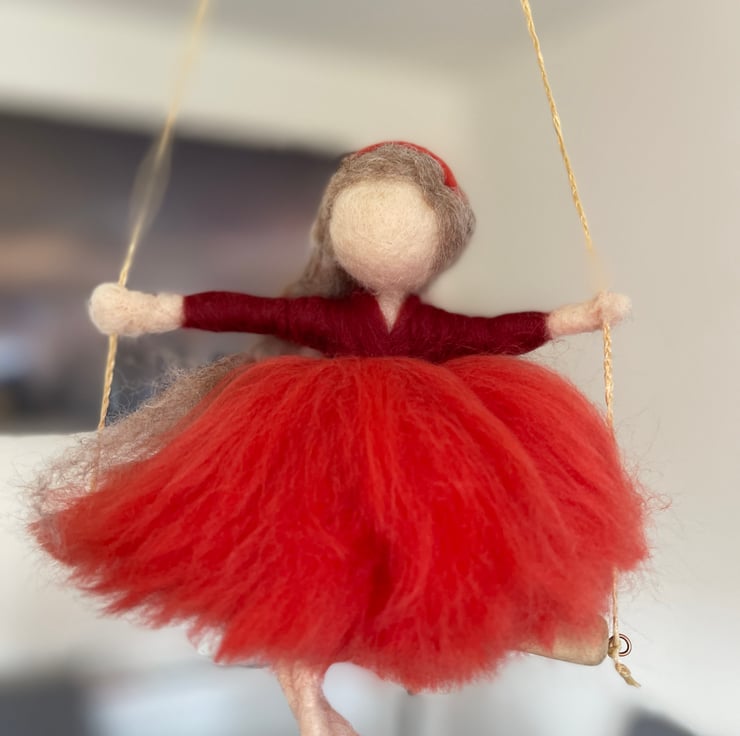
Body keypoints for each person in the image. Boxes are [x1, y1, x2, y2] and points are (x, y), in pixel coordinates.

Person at [34, 142, 646, 736]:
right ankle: (312, 696)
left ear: (442, 239)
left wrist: (573, 319)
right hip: (324, 428)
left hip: (425, 433)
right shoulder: (329, 318)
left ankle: (505, 616)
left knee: (448, 528)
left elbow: (496, 333)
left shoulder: (430, 327)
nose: (383, 242)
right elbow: (249, 311)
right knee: (311, 550)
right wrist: (155, 311)